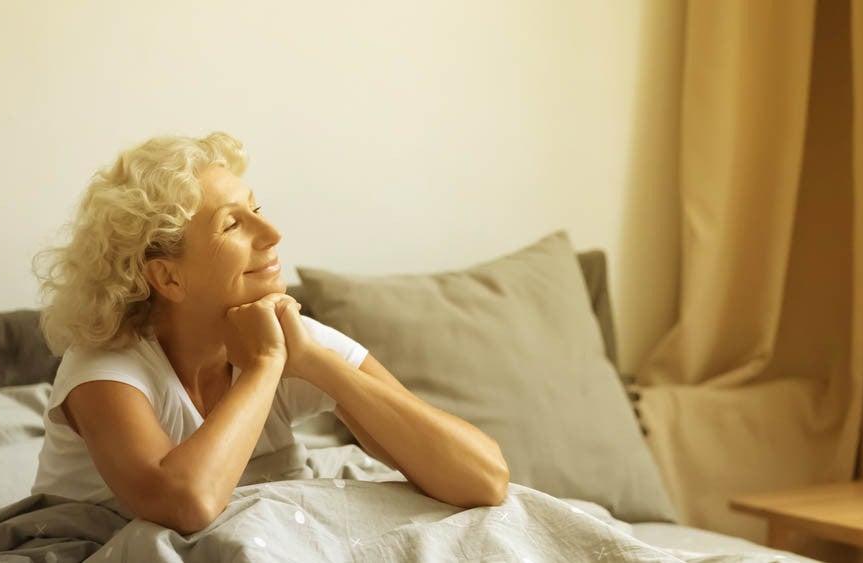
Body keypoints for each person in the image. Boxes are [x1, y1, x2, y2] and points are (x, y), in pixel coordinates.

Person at [30, 132, 509, 535]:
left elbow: (483, 478)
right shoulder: (103, 367)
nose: (272, 232)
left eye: (257, 208)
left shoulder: (287, 335)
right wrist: (264, 366)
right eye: (233, 224)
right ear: (169, 278)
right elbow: (186, 504)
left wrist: (315, 362)